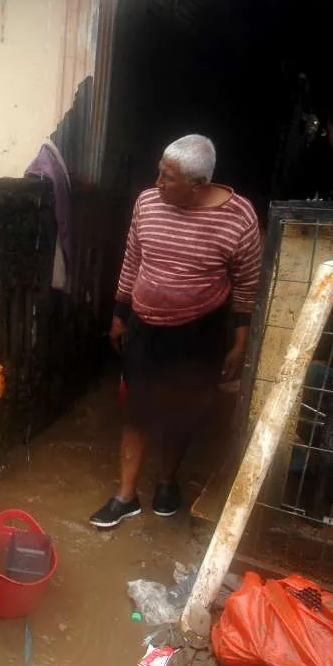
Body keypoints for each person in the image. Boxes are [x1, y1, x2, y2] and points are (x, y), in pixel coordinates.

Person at [90, 135, 263, 528]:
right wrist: (119, 314)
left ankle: (167, 482)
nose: (157, 182)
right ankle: (126, 496)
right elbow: (132, 259)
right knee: (137, 410)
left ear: (198, 184)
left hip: (199, 333)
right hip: (146, 328)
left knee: (182, 412)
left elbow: (248, 284)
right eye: (159, 172)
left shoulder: (240, 218)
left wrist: (239, 341)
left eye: (168, 177)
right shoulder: (147, 203)